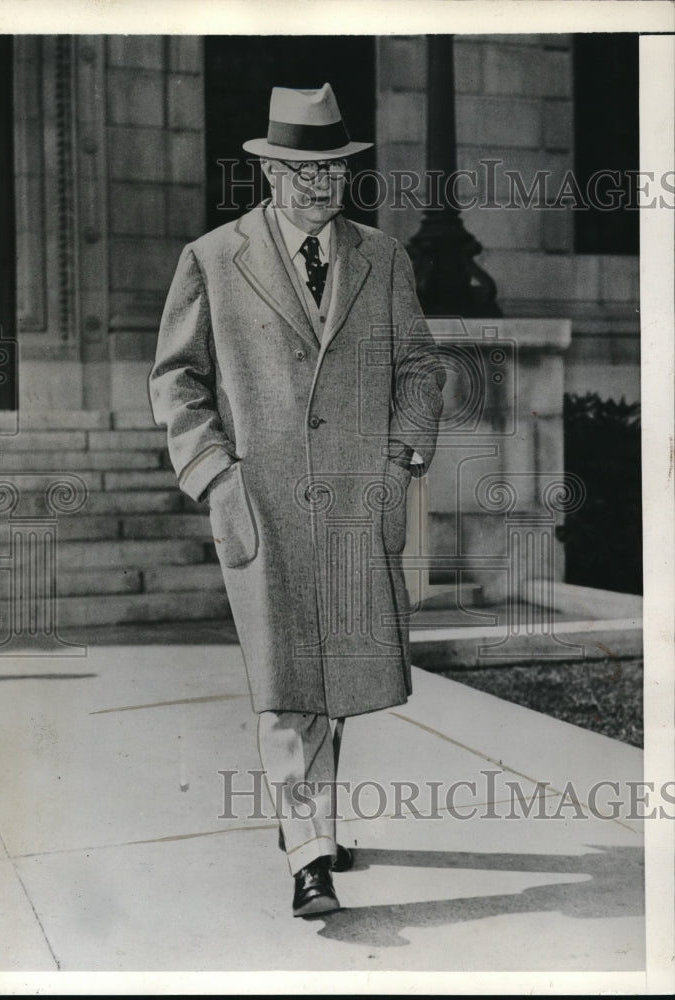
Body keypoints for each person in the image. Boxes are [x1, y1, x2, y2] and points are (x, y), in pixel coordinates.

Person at [149, 83, 445, 917]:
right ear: (270, 172)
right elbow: (178, 381)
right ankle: (310, 853)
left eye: (333, 170)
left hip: (359, 504)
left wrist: (402, 458)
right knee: (285, 683)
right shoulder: (212, 259)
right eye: (302, 170)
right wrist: (213, 472)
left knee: (338, 679)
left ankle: (307, 820)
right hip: (263, 505)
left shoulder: (384, 258)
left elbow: (420, 367)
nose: (319, 184)